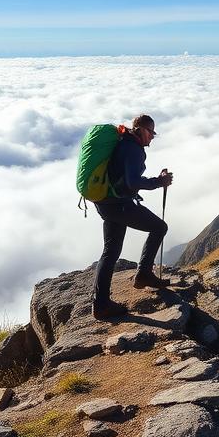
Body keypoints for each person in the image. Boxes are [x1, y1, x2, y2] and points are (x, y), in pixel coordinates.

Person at [91, 114, 173, 319]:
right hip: (118, 205)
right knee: (159, 227)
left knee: (110, 252)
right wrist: (159, 181)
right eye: (150, 132)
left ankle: (100, 304)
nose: (152, 137)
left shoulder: (123, 143)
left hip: (106, 202)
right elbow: (132, 182)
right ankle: (143, 274)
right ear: (140, 130)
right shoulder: (133, 149)